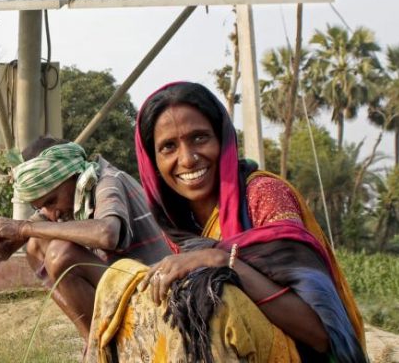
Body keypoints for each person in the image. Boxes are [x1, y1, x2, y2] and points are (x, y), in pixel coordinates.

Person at [86, 82, 367, 362]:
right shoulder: (178, 222)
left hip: (300, 355)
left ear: (222, 139)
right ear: (153, 161)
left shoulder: (263, 195)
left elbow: (321, 335)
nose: (187, 158)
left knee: (214, 298)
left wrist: (222, 261)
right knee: (119, 276)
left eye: (199, 138)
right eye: (169, 147)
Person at [0, 137, 173, 339]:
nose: (52, 213)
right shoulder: (75, 193)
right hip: (131, 290)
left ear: (72, 175)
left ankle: (98, 352)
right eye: (42, 207)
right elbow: (34, 228)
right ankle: (94, 344)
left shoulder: (107, 180)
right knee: (36, 244)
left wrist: (23, 229)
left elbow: (106, 234)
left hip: (157, 295)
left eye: (52, 201)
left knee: (61, 255)